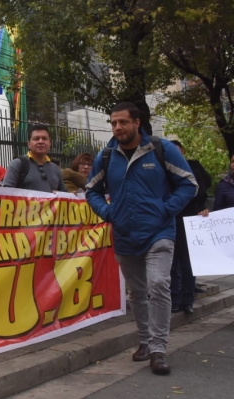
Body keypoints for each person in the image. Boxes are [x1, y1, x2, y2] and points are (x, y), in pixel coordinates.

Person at [86, 102, 197, 376]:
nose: (117, 128)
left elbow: (189, 184)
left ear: (137, 123)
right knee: (136, 292)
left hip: (159, 232)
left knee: (158, 284)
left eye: (123, 122)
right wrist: (108, 213)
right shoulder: (107, 155)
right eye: (113, 123)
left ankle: (159, 349)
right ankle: (144, 342)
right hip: (124, 234)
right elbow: (91, 190)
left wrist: (165, 209)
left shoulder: (160, 149)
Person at [168, 140, 211, 315]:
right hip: (171, 220)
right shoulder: (165, 171)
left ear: (183, 151)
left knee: (188, 263)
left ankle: (187, 300)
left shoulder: (193, 167)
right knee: (172, 263)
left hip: (192, 220)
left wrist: (203, 209)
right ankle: (175, 299)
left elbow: (203, 189)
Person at [0, 125, 66, 192]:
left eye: (44, 138)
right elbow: (6, 192)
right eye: (36, 138)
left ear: (50, 143)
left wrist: (71, 196)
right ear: (29, 144)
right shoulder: (17, 164)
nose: (40, 141)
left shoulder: (56, 168)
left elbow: (64, 194)